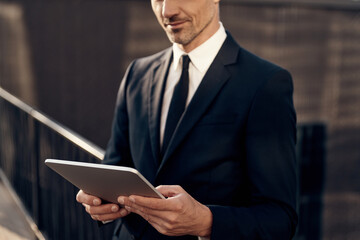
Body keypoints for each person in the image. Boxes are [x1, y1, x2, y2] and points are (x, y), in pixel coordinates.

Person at [76, 0, 298, 239]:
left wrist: (205, 222)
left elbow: (280, 218)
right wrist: (98, 198)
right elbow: (116, 164)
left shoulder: (265, 83)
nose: (167, 11)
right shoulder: (137, 74)